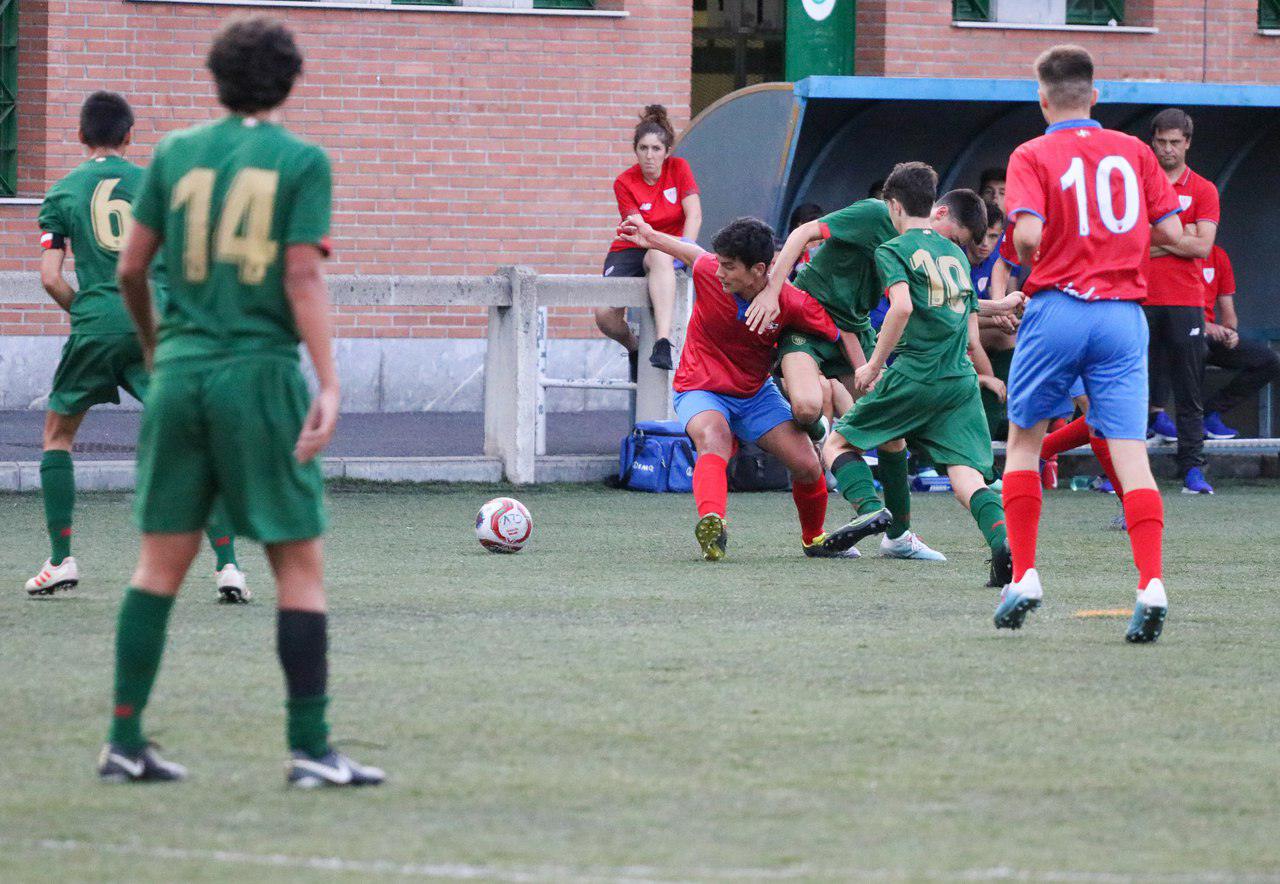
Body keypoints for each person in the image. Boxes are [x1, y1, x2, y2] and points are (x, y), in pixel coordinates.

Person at [97, 15, 383, 787]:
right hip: (257, 375)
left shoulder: (175, 152)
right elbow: (301, 277)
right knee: (298, 564)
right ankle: (311, 750)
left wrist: (159, 348)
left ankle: (123, 741)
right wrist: (327, 381)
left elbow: (131, 269)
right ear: (290, 83)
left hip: (181, 372)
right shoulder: (301, 160)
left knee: (159, 563)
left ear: (215, 79)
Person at [28, 91, 248, 603]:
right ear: (130, 136)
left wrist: (87, 314)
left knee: (59, 435)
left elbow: (49, 278)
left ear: (81, 136)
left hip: (96, 324)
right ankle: (229, 567)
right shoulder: (161, 185)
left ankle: (60, 560)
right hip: (158, 325)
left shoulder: (61, 192)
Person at [995, 44, 1183, 643]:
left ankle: (1023, 576)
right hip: (1125, 317)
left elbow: (1025, 236)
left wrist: (1047, 253)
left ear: (1043, 99)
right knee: (1130, 455)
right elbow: (1172, 232)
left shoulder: (1031, 152)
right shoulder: (1133, 150)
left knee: (1025, 445)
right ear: (1095, 95)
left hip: (1059, 308)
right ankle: (1151, 583)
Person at [752, 187, 1019, 562]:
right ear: (936, 213)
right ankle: (827, 447)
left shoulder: (921, 244)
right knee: (809, 406)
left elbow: (937, 297)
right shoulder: (873, 214)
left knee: (892, 436)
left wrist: (995, 308)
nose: (949, 245)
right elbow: (800, 234)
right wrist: (772, 292)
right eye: (955, 237)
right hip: (810, 320)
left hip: (853, 332)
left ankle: (896, 533)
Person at [616, 213, 877, 561]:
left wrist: (865, 371)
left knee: (808, 464)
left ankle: (814, 539)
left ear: (758, 270)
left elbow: (838, 332)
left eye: (729, 267)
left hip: (755, 394)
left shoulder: (792, 302)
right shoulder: (710, 272)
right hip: (700, 386)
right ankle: (713, 524)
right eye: (720, 264)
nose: (719, 271)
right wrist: (651, 235)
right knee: (715, 438)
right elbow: (691, 253)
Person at [822, 162, 1013, 587]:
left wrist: (873, 366)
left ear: (892, 205)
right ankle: (1000, 539)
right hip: (958, 381)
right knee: (966, 476)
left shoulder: (892, 249)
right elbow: (966, 325)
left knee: (835, 444)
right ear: (935, 207)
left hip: (914, 374)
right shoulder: (958, 256)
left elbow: (903, 307)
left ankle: (871, 508)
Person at [1144, 108, 1220, 494]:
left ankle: (1192, 469)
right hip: (1139, 298)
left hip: (1186, 301)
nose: (1168, 149)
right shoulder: (1140, 185)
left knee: (1190, 390)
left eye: (1175, 142)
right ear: (1152, 141)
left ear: (1187, 142)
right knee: (1131, 387)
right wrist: (1180, 237)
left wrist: (1155, 238)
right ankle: (1120, 474)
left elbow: (1203, 245)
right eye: (1161, 141)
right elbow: (1131, 243)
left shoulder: (1203, 188)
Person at [599, 105, 701, 374]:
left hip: (664, 248)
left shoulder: (679, 169)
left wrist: (684, 251)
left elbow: (694, 215)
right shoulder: (624, 181)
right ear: (635, 150)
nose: (649, 155)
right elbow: (640, 230)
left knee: (659, 256)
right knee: (604, 316)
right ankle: (634, 347)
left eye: (656, 149)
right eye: (643, 148)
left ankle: (662, 342)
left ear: (667, 152)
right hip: (630, 246)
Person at [1200, 244, 1280, 439]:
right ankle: (1181, 421)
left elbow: (1228, 313)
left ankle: (1210, 413)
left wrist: (1230, 332)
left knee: (1269, 360)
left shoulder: (1218, 255)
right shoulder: (1168, 256)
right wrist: (1202, 326)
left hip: (1210, 336)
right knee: (1195, 347)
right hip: (1178, 335)